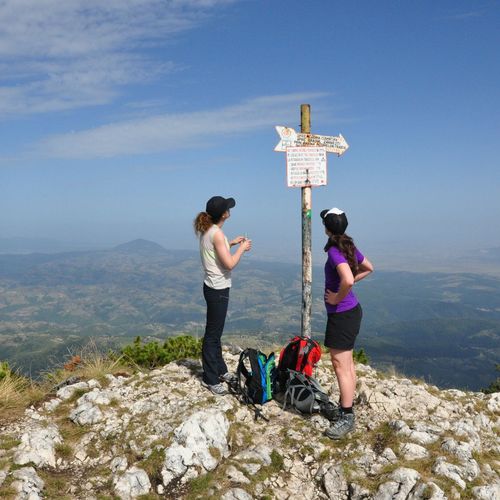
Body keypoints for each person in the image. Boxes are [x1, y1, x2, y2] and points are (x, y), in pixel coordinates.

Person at [320, 207, 373, 439]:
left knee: (340, 365)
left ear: (327, 229)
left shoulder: (334, 251)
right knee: (347, 364)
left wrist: (336, 296)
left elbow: (349, 279)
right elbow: (368, 268)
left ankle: (347, 415)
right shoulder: (349, 245)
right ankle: (346, 407)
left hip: (342, 315)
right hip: (352, 311)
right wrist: (347, 289)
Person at [194, 196, 252, 395]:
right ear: (223, 214)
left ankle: (220, 370)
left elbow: (215, 252)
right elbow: (229, 264)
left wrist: (231, 243)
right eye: (228, 208)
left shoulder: (208, 229)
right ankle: (210, 378)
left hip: (211, 286)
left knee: (215, 332)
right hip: (218, 288)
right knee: (212, 335)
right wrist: (242, 250)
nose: (230, 209)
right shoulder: (217, 233)